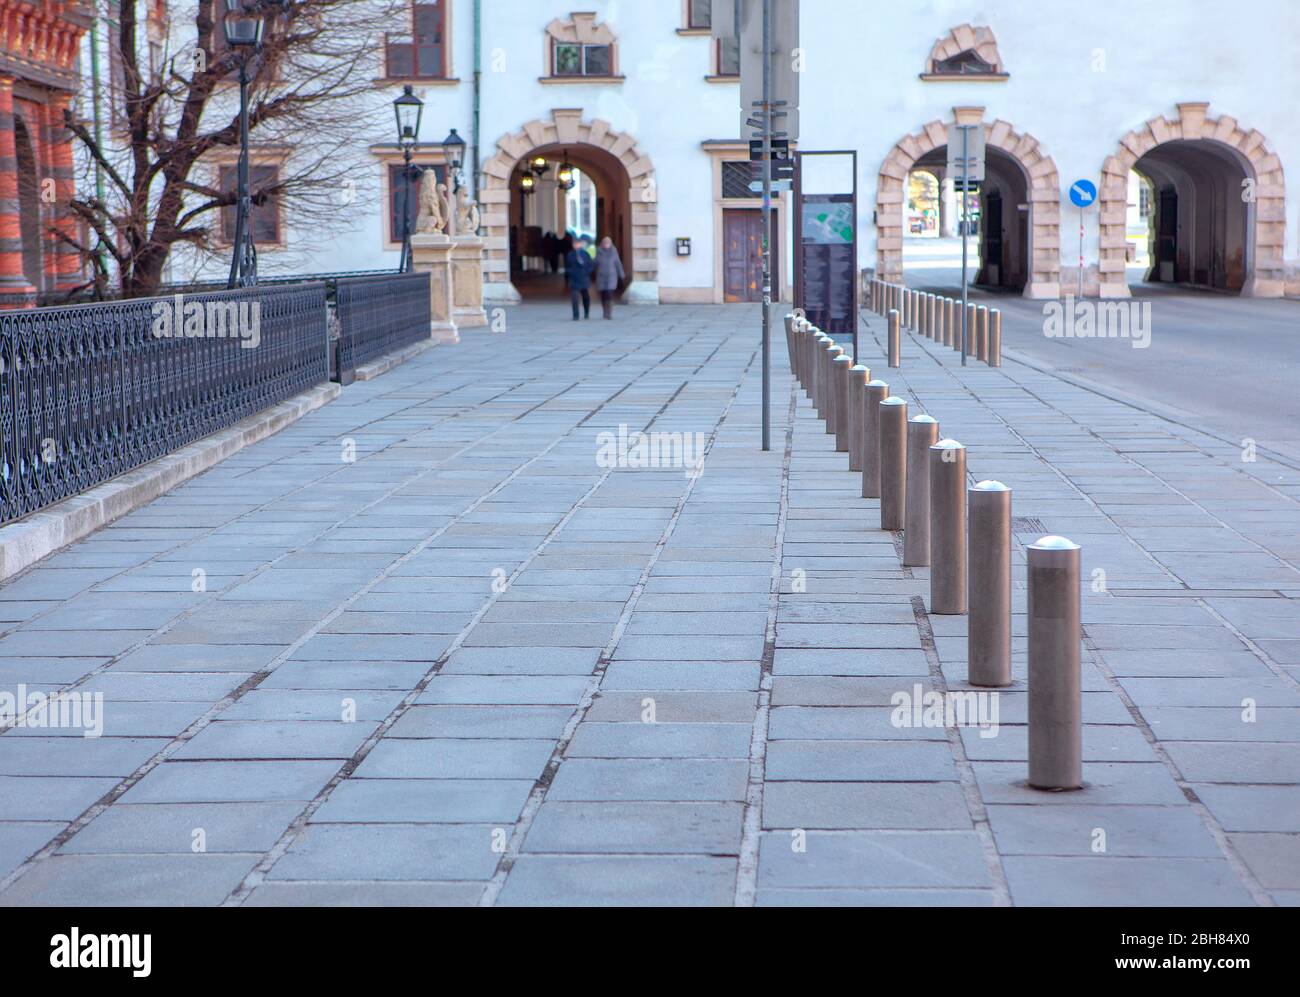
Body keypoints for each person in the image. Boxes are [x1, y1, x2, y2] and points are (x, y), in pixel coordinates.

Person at [594, 236, 625, 319]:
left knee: (609, 294)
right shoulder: (599, 252)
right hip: (601, 277)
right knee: (603, 295)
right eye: (605, 244)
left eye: (608, 244)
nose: (606, 245)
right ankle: (605, 311)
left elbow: (618, 264)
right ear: (602, 244)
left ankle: (609, 313)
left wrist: (621, 275)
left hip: (611, 277)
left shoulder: (614, 252)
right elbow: (595, 263)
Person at [564, 236, 594, 320]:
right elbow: (567, 267)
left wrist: (587, 272)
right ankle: (575, 315)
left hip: (584, 278)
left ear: (580, 244)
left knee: (586, 297)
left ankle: (586, 313)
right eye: (575, 244)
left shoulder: (585, 254)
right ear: (573, 245)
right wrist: (570, 272)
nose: (576, 245)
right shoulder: (570, 255)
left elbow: (591, 265)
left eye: (578, 243)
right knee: (574, 298)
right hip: (574, 279)